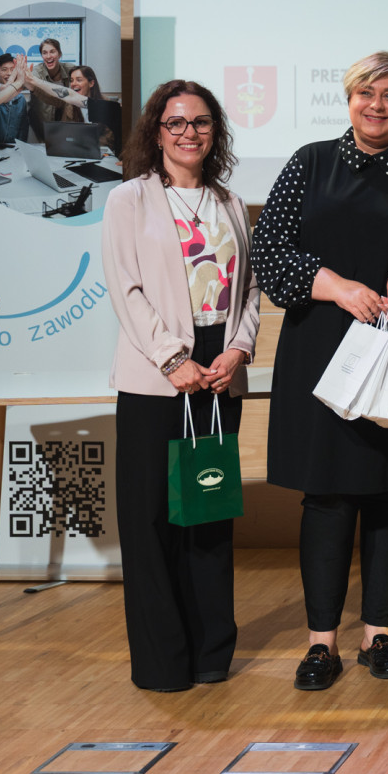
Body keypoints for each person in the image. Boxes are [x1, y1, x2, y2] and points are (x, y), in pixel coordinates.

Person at [251, 51, 388, 692]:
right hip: (322, 351)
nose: (377, 105)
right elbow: (271, 253)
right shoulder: (309, 162)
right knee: (326, 494)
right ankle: (321, 644)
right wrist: (337, 286)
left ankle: (378, 634)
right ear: (348, 99)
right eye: (365, 93)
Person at [100, 79, 260, 692]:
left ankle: (212, 653)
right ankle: (164, 662)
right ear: (156, 131)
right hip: (155, 378)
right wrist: (173, 359)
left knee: (208, 515)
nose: (188, 132)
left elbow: (249, 291)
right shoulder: (129, 200)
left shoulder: (229, 201)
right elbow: (126, 289)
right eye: (176, 122)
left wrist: (239, 348)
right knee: (152, 523)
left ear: (215, 132)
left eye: (200, 122)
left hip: (218, 375)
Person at [25, 37, 73, 140]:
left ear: (59, 54)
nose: (48, 56)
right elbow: (47, 96)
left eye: (52, 52)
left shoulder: (71, 69)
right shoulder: (36, 72)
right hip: (40, 127)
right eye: (44, 53)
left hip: (65, 126)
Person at [68, 64, 124, 151]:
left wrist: (89, 147)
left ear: (91, 83)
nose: (73, 84)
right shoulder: (69, 106)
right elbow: (66, 133)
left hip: (99, 151)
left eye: (79, 80)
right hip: (75, 151)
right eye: (71, 80)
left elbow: (109, 138)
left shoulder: (106, 105)